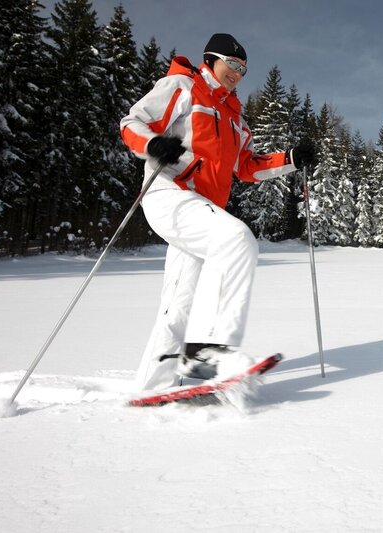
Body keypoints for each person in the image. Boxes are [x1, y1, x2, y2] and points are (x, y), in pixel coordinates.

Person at [120, 33, 313, 390]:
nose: (237, 73)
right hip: (170, 193)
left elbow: (246, 167)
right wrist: (153, 144)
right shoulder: (183, 86)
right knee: (237, 240)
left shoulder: (236, 118)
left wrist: (288, 160)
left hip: (201, 209)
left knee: (178, 304)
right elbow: (131, 122)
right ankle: (209, 352)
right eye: (232, 64)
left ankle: (153, 386)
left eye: (243, 69)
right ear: (211, 59)